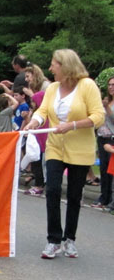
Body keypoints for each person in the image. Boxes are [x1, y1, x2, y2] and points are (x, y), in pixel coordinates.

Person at [25, 49, 104, 259]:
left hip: (79, 149)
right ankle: (53, 240)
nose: (50, 68)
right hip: (55, 147)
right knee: (51, 190)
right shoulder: (52, 88)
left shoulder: (87, 85)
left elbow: (98, 116)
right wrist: (35, 121)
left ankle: (70, 239)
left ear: (65, 65)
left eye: (53, 64)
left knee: (74, 195)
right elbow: (43, 111)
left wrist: (73, 125)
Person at [92, 76, 114, 209]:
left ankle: (109, 197)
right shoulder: (107, 101)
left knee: (110, 169)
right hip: (101, 136)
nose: (111, 87)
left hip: (111, 138)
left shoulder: (109, 105)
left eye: (113, 85)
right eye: (110, 85)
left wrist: (107, 108)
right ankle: (103, 196)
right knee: (103, 168)